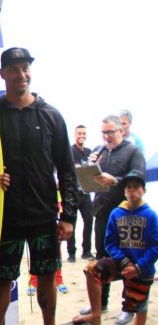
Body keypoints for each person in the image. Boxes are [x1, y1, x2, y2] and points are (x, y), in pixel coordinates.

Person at [0, 47, 77, 325]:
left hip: (44, 215)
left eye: (25, 67)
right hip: (7, 217)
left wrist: (68, 217)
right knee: (3, 279)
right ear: (3, 74)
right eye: (14, 69)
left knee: (47, 276)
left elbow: (67, 170)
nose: (21, 74)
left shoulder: (51, 115)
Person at [80, 114, 145, 324]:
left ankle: (129, 307)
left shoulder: (132, 151)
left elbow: (138, 176)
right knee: (100, 256)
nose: (106, 136)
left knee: (128, 259)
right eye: (103, 133)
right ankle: (101, 303)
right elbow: (89, 175)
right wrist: (87, 169)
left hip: (127, 215)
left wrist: (115, 180)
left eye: (110, 132)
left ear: (121, 131)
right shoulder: (99, 151)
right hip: (101, 212)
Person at [72, 170, 158, 325]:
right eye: (128, 187)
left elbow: (155, 247)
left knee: (139, 305)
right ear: (124, 191)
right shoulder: (116, 213)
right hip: (121, 262)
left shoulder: (151, 215)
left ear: (144, 190)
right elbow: (110, 243)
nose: (132, 190)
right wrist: (125, 262)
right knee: (92, 270)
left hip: (142, 268)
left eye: (136, 186)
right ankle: (95, 314)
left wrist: (138, 267)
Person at [69, 124, 95, 261]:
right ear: (75, 135)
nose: (82, 136)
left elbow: (92, 170)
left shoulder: (89, 152)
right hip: (73, 192)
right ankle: (71, 253)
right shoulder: (71, 151)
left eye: (84, 134)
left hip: (86, 192)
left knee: (89, 221)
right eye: (79, 133)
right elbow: (72, 169)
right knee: (71, 222)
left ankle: (86, 251)